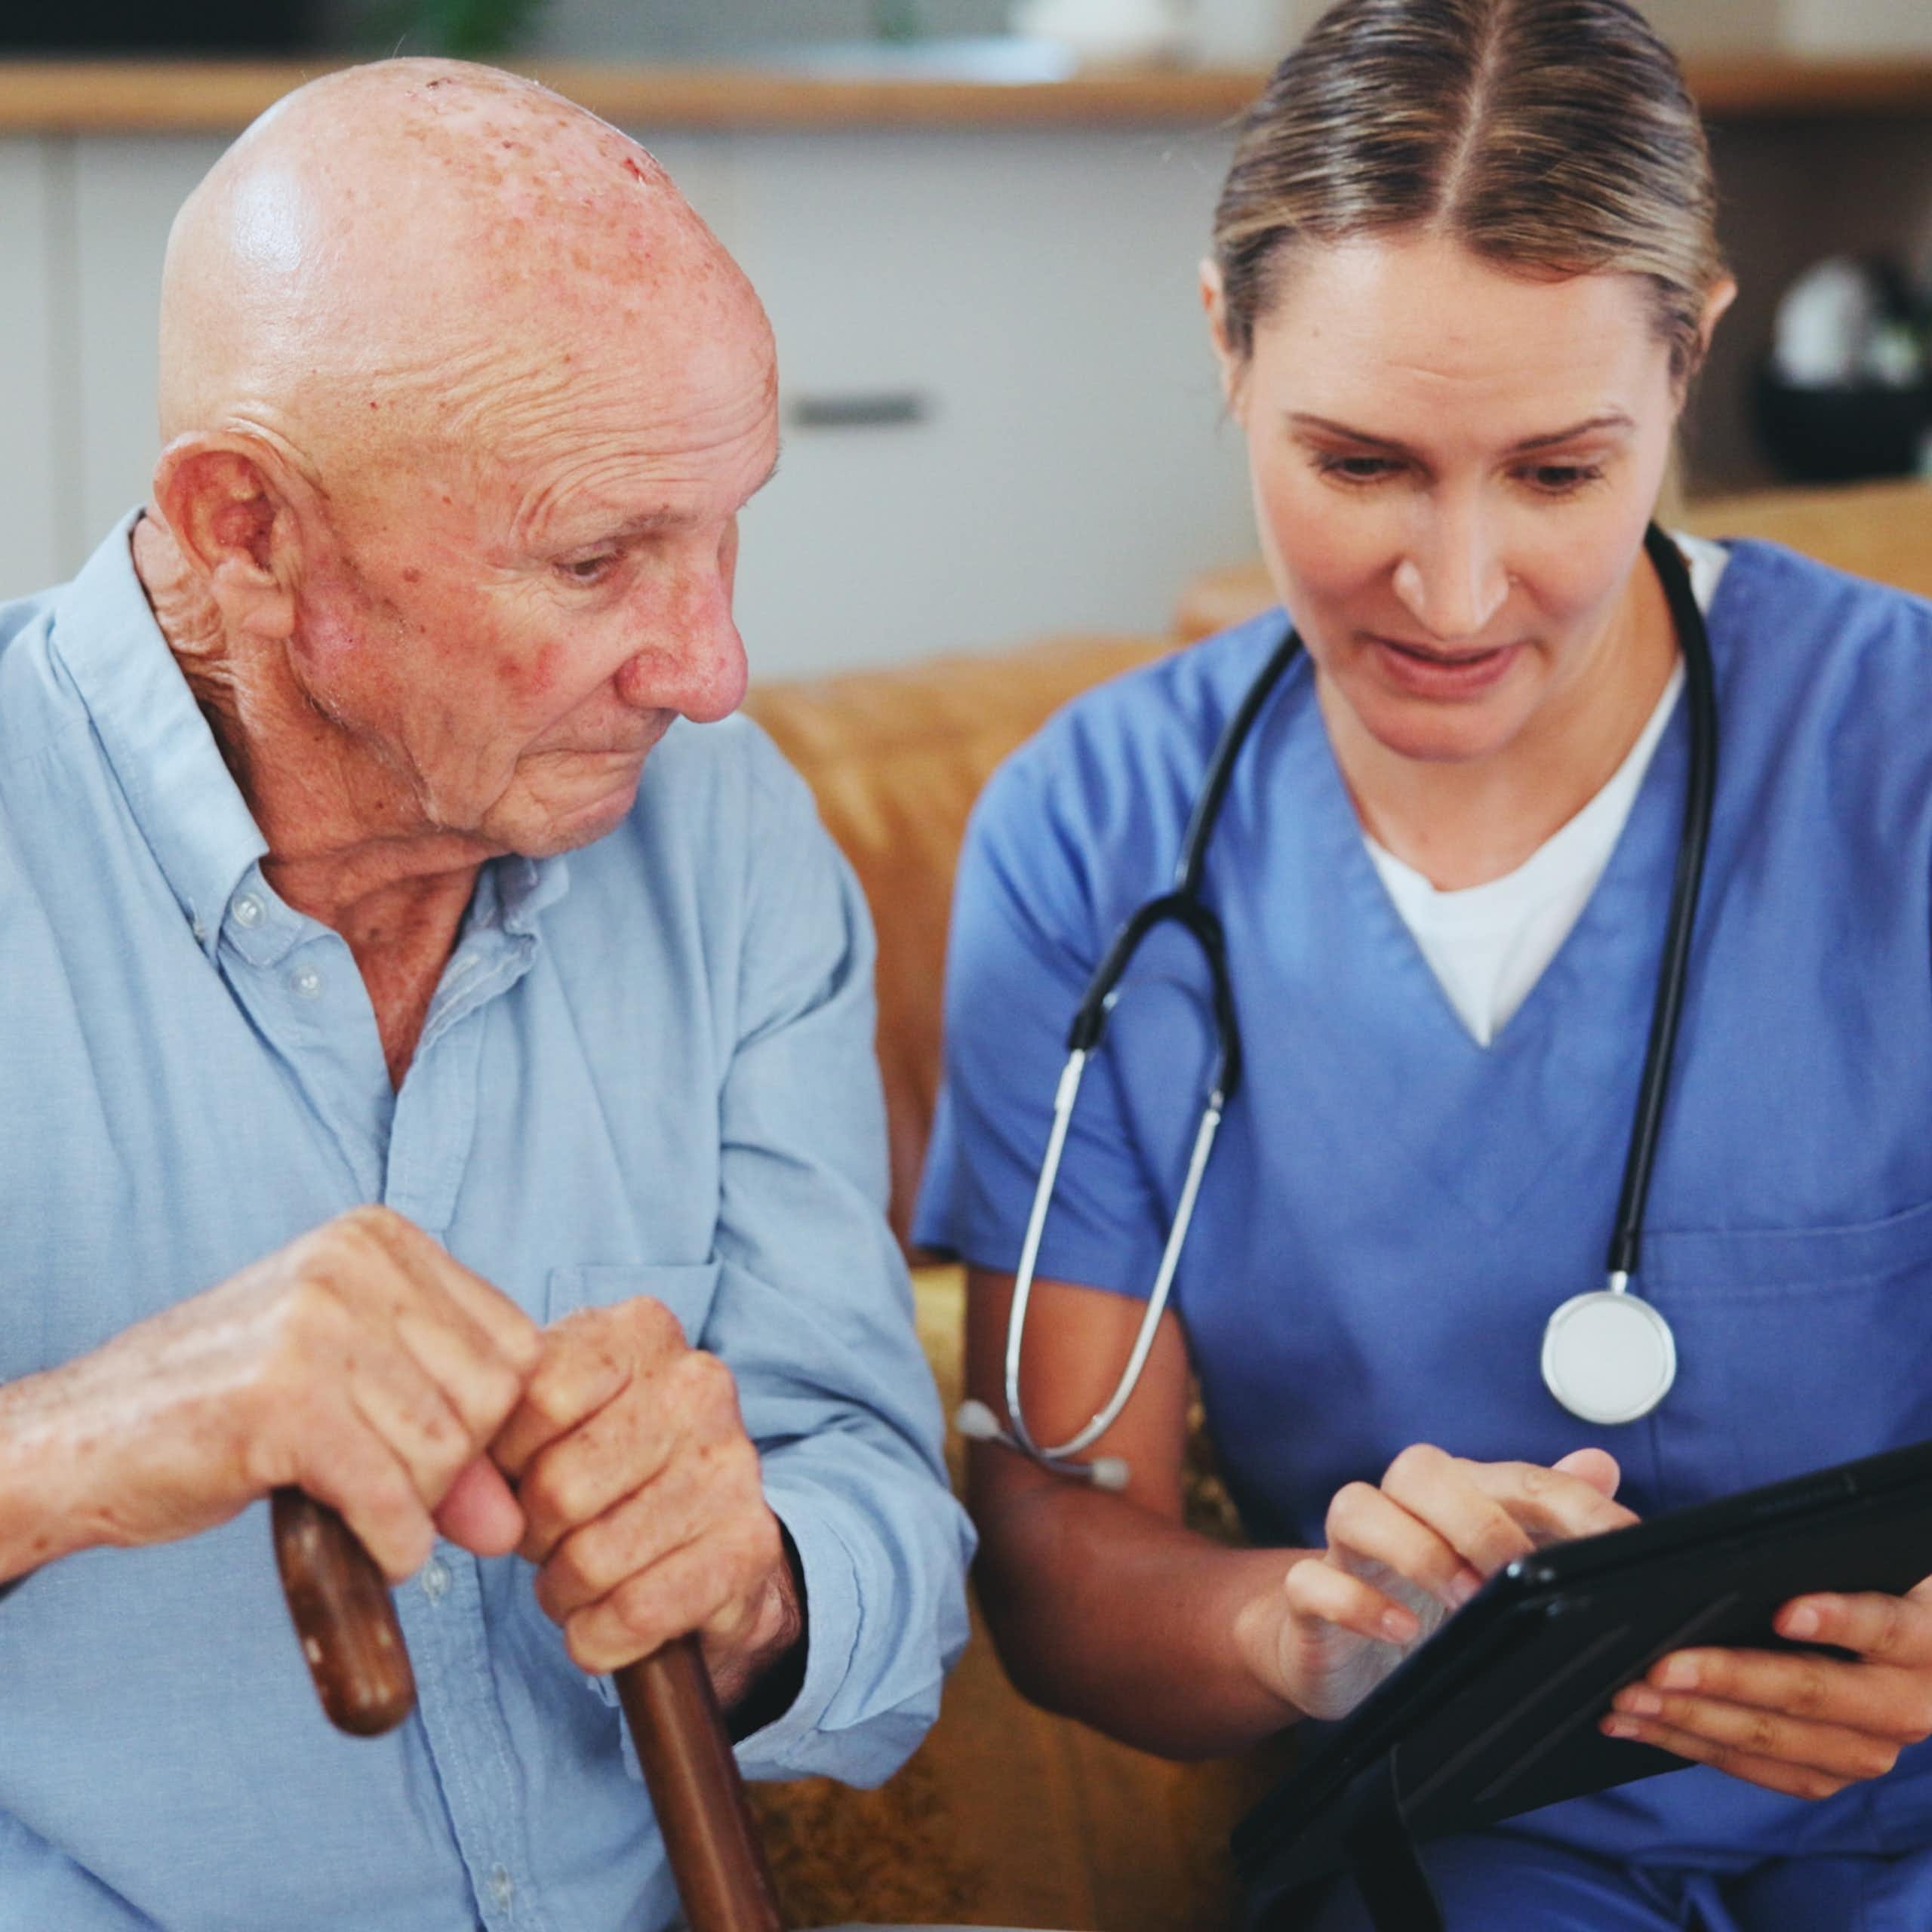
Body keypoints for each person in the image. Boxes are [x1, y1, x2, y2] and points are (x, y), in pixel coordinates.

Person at [915, 1, 1932, 1924]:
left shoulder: (1900, 760)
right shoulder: (1096, 837)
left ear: (1689, 353)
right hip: (1464, 1849)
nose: (1453, 595)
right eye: (1360, 463)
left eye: (1555, 474)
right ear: (1220, 344)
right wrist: (1298, 1632)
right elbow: (1055, 1540)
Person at [0, 59, 971, 1932]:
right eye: (599, 556)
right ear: (247, 531)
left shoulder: (731, 838)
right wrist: (87, 1439)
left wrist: (761, 1571)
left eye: (724, 526)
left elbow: (877, 1512)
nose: (711, 667)